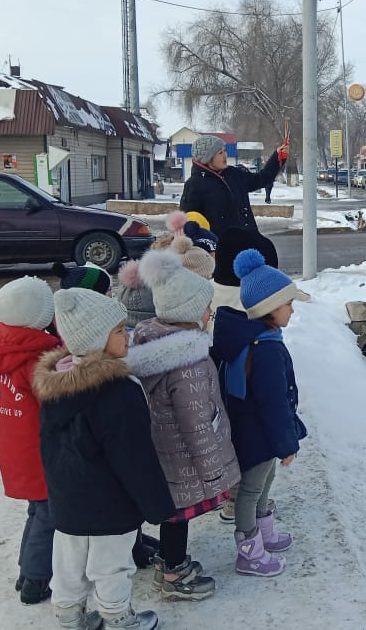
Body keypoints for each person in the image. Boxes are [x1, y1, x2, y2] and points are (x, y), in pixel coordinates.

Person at [34, 288, 174, 630]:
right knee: (111, 565)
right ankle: (117, 617)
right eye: (118, 330)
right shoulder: (119, 392)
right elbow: (134, 457)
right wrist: (157, 506)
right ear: (96, 340)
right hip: (111, 503)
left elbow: (49, 449)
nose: (126, 335)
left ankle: (69, 617)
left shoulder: (57, 386)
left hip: (68, 501)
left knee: (69, 562)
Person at [127, 249, 241, 601]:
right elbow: (197, 424)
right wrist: (212, 472)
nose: (210, 312)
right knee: (179, 516)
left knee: (173, 513)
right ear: (189, 313)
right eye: (206, 306)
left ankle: (168, 560)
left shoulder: (152, 341)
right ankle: (174, 574)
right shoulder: (187, 361)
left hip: (165, 451)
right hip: (185, 458)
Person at [210, 249, 310, 577]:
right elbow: (274, 403)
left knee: (264, 483)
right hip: (258, 433)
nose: (292, 311)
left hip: (255, 430)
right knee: (251, 490)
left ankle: (264, 535)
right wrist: (286, 444)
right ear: (269, 308)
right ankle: (249, 551)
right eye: (288, 305)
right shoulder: (265, 349)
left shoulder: (260, 338)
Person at [0, 276, 62, 606]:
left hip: (17, 449)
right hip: (39, 452)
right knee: (49, 515)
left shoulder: (6, 350)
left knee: (38, 511)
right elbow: (57, 405)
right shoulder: (35, 360)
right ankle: (35, 579)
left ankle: (26, 570)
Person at [179, 135, 289, 235]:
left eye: (225, 151)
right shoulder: (194, 184)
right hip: (221, 251)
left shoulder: (233, 174)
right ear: (208, 158)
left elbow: (262, 179)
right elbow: (189, 224)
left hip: (250, 242)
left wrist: (277, 158)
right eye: (220, 153)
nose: (225, 155)